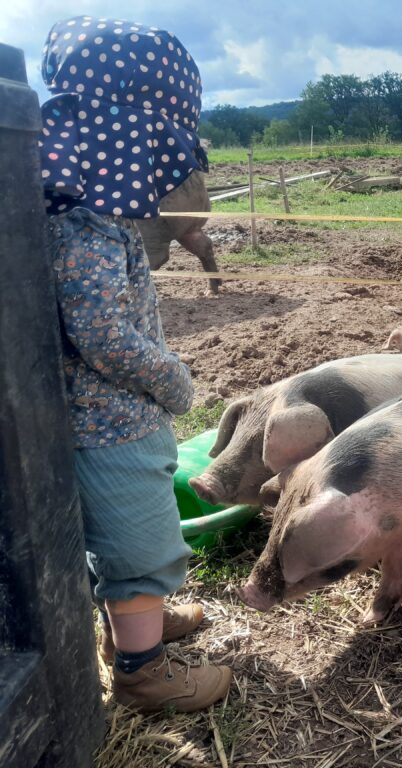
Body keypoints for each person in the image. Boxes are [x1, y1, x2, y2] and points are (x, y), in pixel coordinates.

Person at [39, 15, 231, 712]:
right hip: (111, 422)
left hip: (109, 415)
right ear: (122, 141)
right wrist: (170, 377)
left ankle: (132, 626)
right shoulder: (87, 229)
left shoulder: (81, 217)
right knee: (138, 546)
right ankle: (142, 671)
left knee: (129, 543)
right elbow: (103, 335)